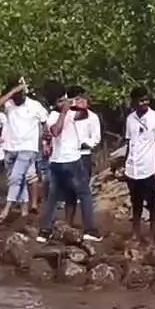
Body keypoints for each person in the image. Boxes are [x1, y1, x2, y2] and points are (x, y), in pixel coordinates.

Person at [37, 87, 101, 243]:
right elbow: (55, 131)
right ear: (54, 104)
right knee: (65, 196)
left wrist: (81, 104)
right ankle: (47, 230)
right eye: (60, 101)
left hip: (70, 159)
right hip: (63, 161)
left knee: (77, 194)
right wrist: (64, 113)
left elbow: (84, 114)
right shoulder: (52, 116)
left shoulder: (71, 113)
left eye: (64, 99)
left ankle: (48, 230)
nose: (64, 103)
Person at [0, 78, 48, 222]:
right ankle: (24, 211)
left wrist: (45, 142)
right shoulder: (9, 104)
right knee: (20, 181)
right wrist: (13, 92)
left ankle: (6, 210)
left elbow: (45, 122)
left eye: (19, 94)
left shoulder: (35, 106)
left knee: (15, 179)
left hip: (27, 148)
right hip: (10, 148)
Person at [123, 87, 155, 244]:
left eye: (146, 99)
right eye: (141, 100)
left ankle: (153, 236)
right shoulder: (130, 119)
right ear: (134, 101)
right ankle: (136, 233)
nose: (144, 103)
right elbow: (129, 143)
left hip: (148, 167)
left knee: (152, 202)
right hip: (132, 167)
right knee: (136, 203)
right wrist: (125, 163)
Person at [64, 86, 101, 226]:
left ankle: (88, 225)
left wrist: (86, 143)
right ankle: (68, 223)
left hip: (83, 155)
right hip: (68, 155)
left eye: (79, 98)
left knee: (83, 190)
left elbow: (96, 137)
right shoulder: (68, 115)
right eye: (75, 98)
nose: (77, 101)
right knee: (69, 191)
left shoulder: (92, 117)